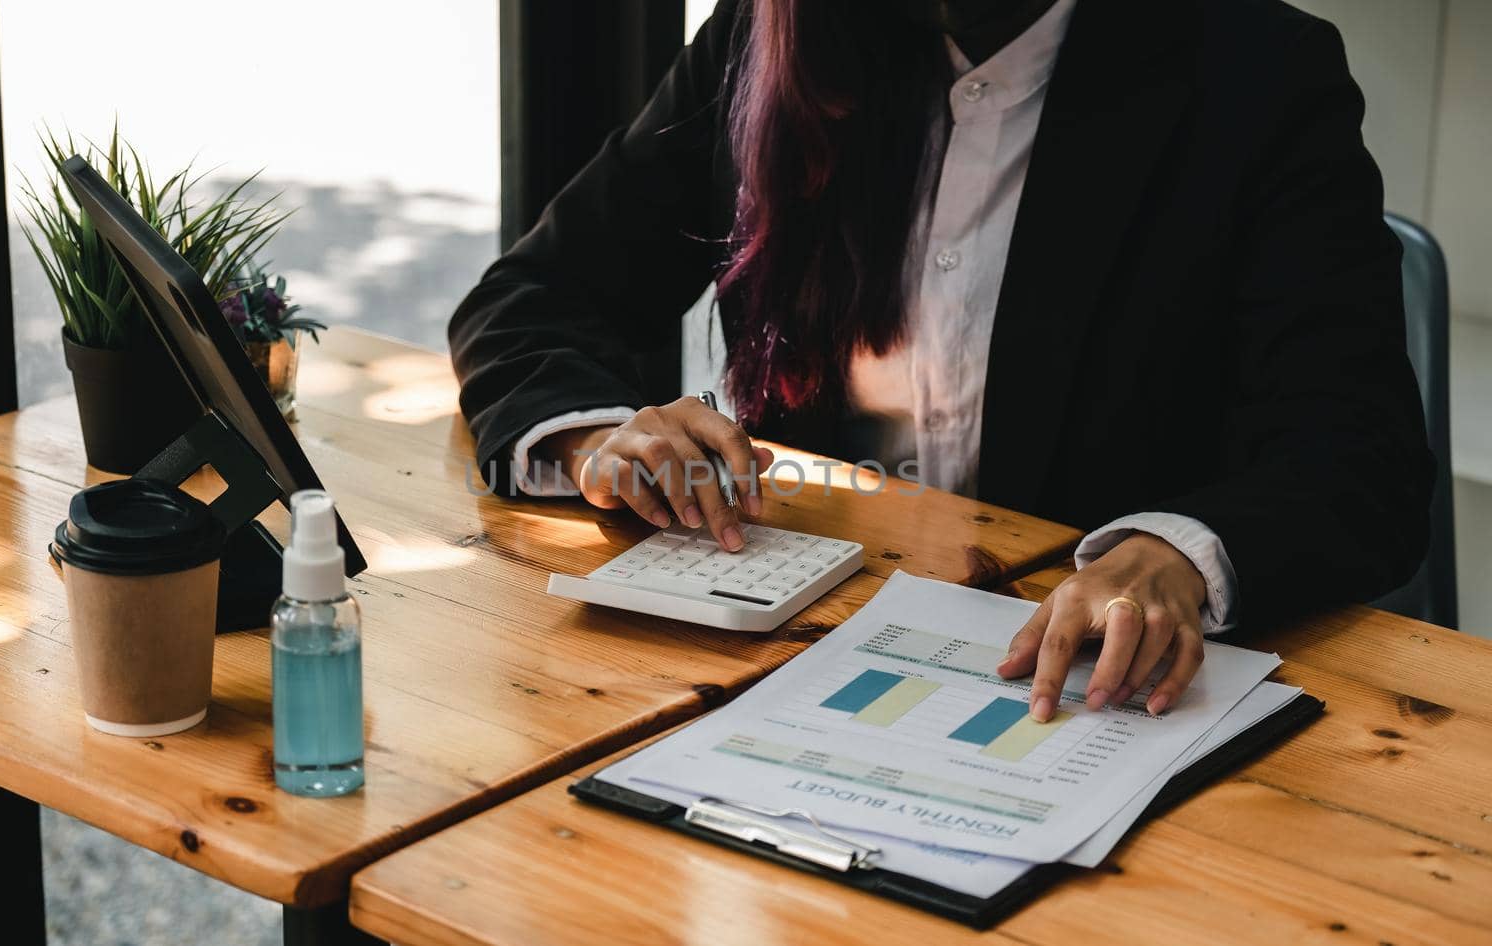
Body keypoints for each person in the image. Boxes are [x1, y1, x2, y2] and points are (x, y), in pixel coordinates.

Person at [449, 0, 1433, 722]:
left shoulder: (1255, 73)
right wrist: (596, 435)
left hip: (1098, 696)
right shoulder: (775, 36)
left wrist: (1178, 549)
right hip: (796, 667)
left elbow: (1359, 458)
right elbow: (530, 298)